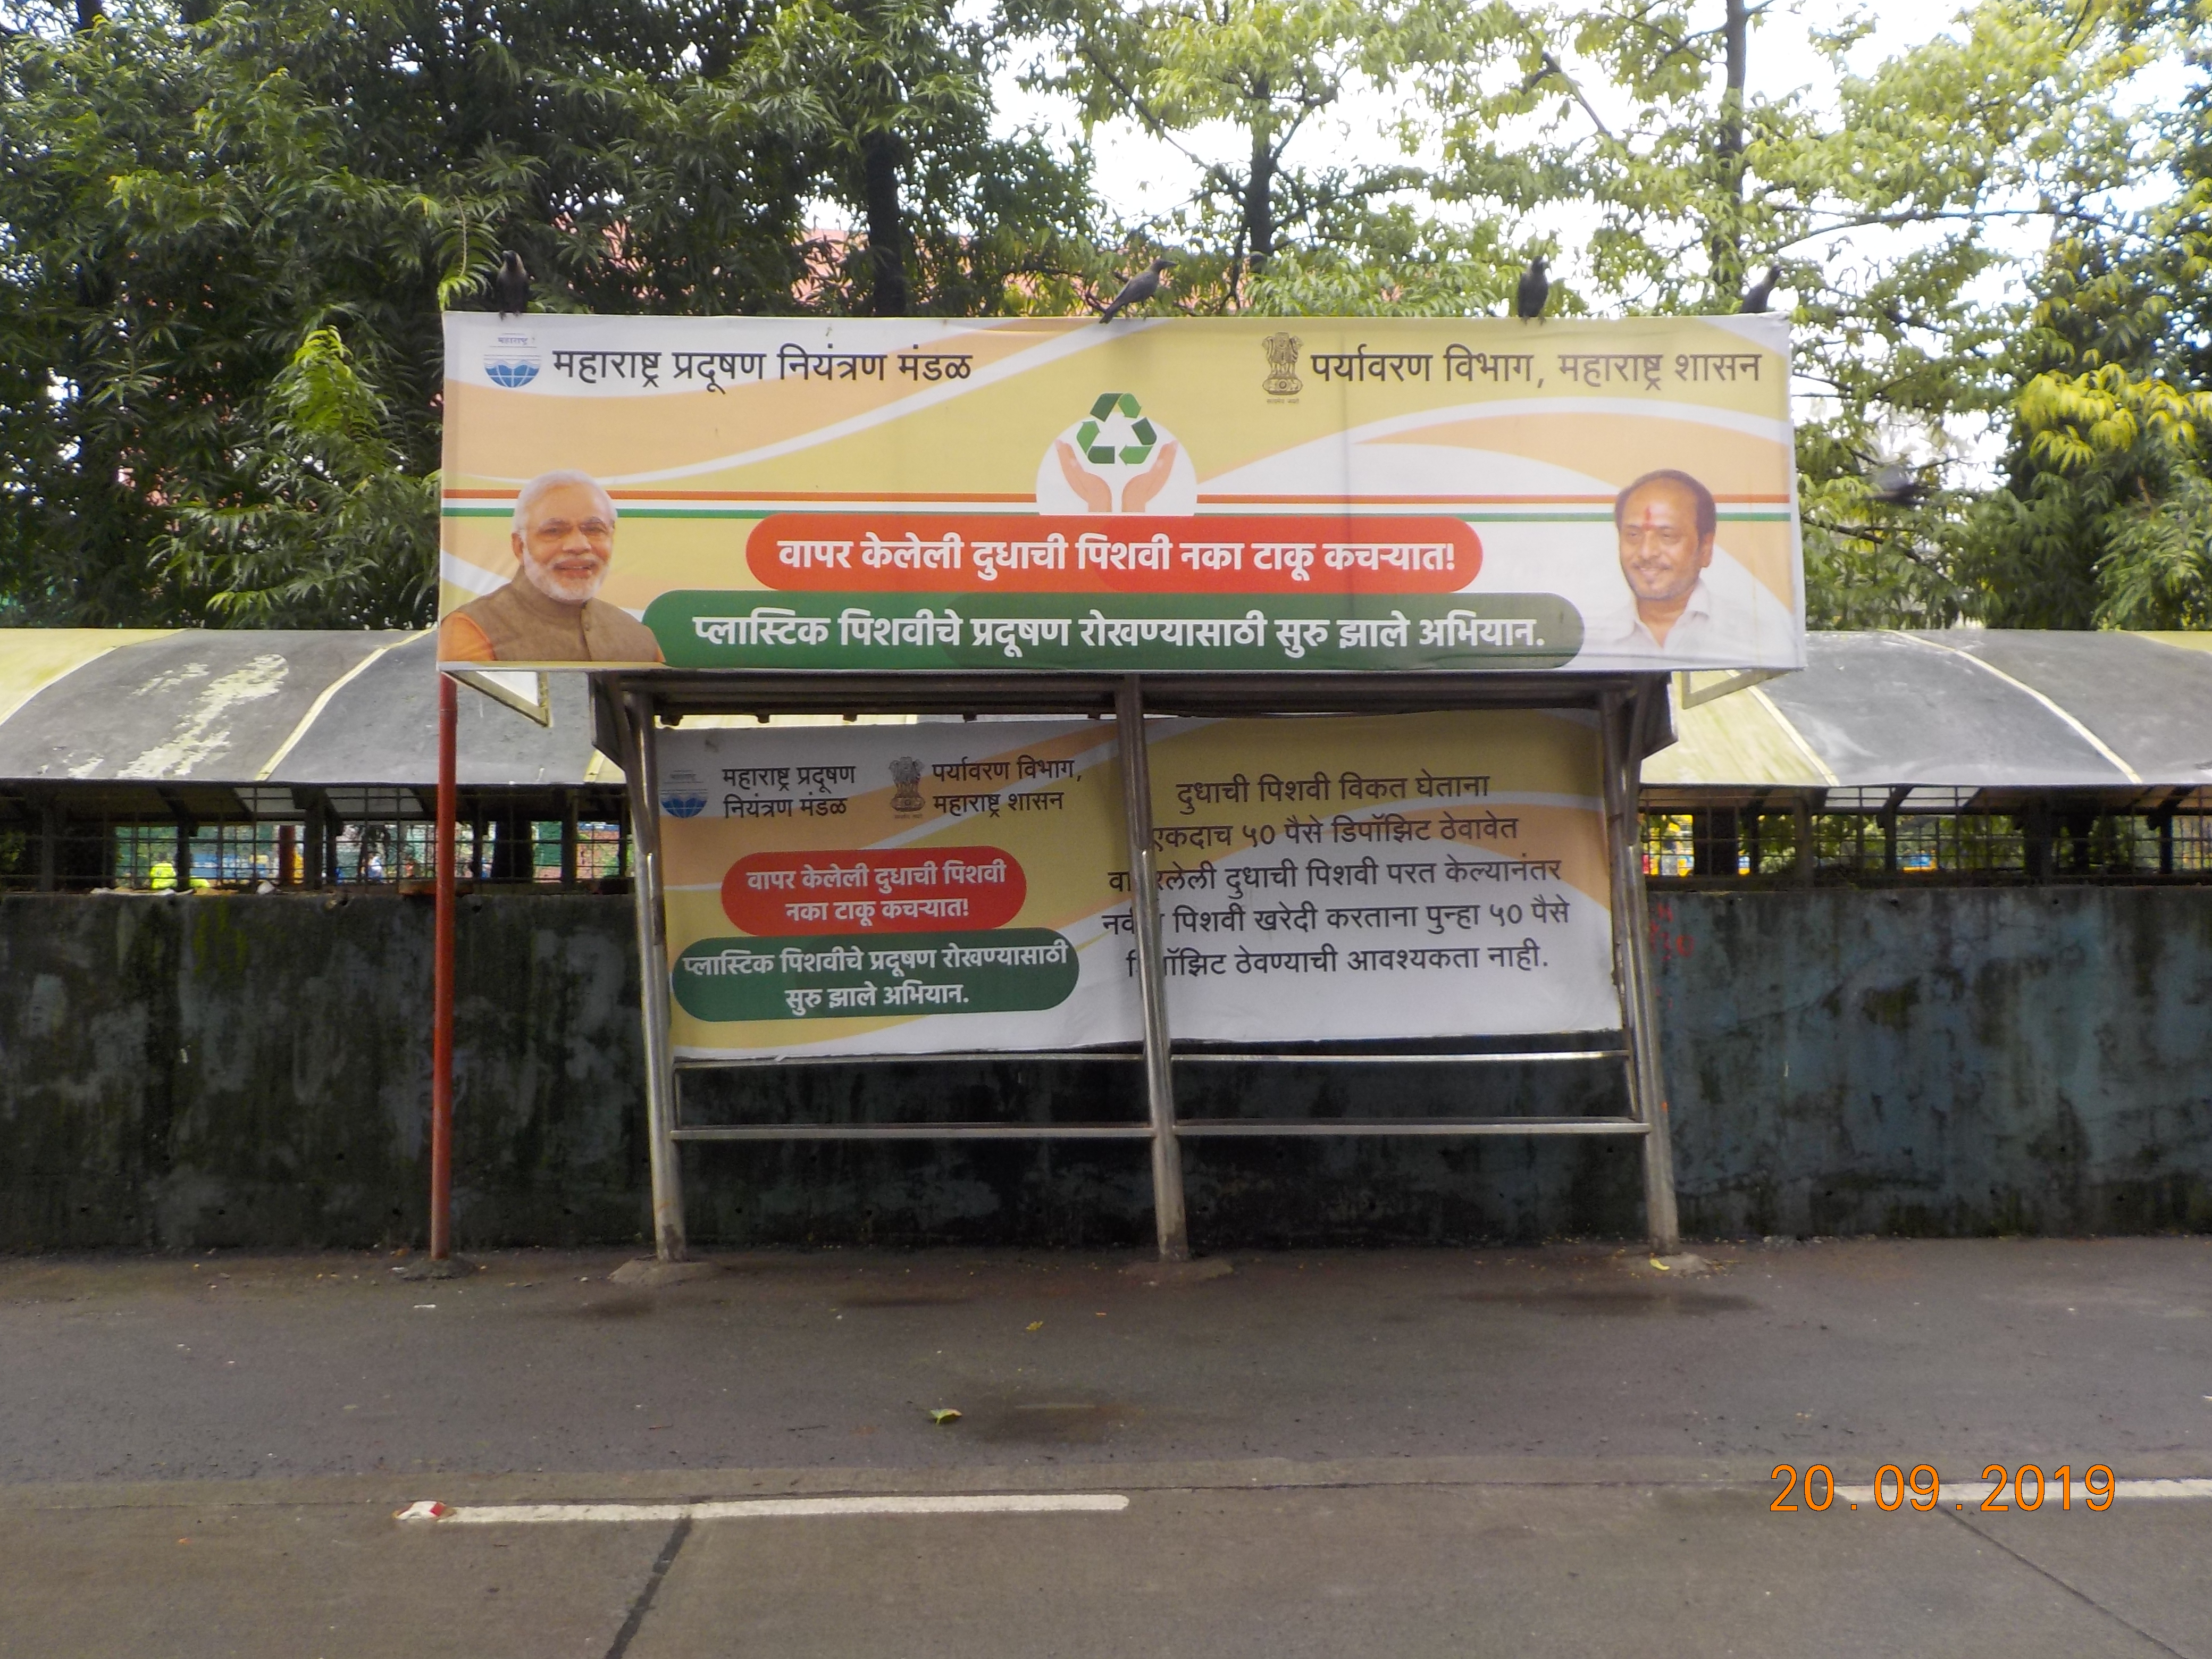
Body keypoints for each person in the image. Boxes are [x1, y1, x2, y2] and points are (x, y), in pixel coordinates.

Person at [438, 470, 665, 664]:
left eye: (594, 529)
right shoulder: (473, 629)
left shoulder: (638, 638)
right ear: (520, 547)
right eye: (554, 531)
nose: (578, 545)